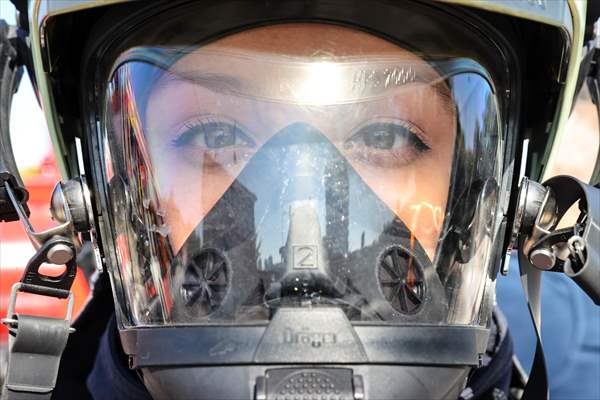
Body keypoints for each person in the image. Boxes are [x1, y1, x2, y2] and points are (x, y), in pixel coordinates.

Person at [0, 1, 596, 399]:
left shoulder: (578, 366)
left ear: (500, 198)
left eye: (385, 137)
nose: (303, 228)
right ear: (96, 200)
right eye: (217, 137)